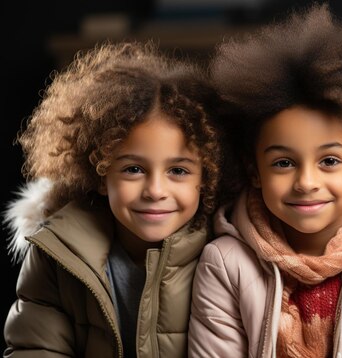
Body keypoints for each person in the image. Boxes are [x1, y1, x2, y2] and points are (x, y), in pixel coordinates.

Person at [188, 4, 342, 357]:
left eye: (329, 161)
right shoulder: (225, 264)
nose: (306, 182)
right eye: (284, 163)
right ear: (255, 170)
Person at [3, 41, 223, 357]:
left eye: (177, 170)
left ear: (206, 178)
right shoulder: (58, 254)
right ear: (102, 175)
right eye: (133, 169)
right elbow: (34, 348)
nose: (155, 190)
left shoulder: (224, 253)